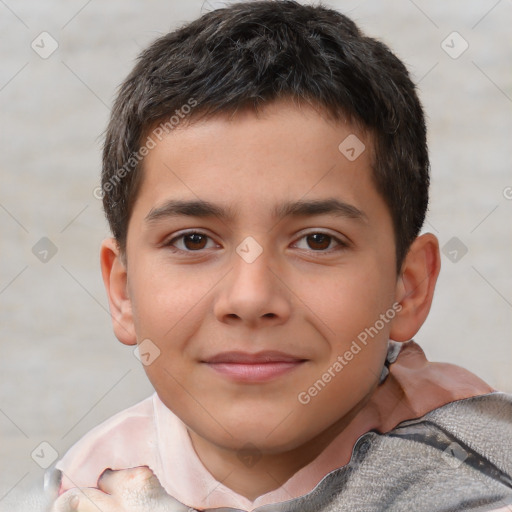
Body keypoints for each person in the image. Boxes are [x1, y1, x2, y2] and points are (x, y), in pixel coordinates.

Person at [46, 1, 512, 510]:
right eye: (193, 241)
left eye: (317, 241)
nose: (251, 298)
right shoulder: (87, 482)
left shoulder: (475, 473)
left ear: (409, 287)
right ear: (123, 292)